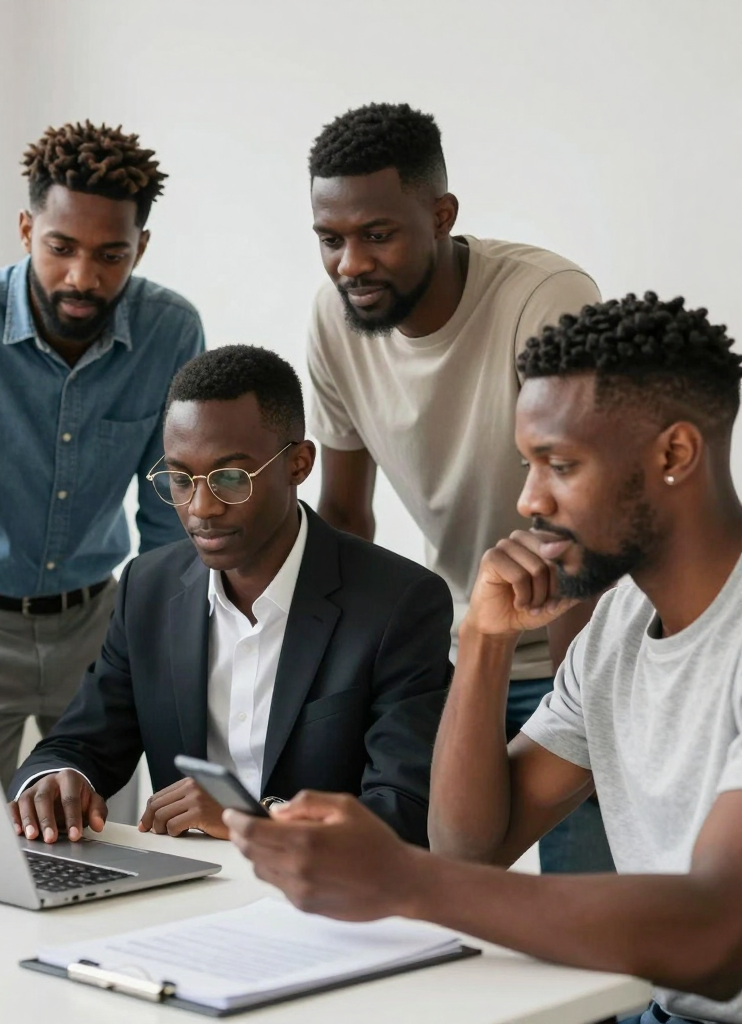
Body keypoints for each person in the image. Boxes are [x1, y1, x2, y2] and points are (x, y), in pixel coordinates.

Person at [227, 293, 742, 1024]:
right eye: (527, 463)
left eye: (559, 464)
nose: (530, 500)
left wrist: (402, 880)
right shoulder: (620, 623)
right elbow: (470, 848)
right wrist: (484, 639)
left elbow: (715, 934)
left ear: (673, 455)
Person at [305, 101, 612, 873]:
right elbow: (345, 517)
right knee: (439, 911)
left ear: (440, 215)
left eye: (377, 235)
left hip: (570, 651)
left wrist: (587, 707)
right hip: (456, 656)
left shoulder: (545, 298)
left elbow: (587, 516)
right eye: (331, 240)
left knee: (580, 938)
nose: (351, 264)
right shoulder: (334, 320)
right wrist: (341, 689)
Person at [8, 345, 453, 844]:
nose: (201, 508)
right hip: (184, 888)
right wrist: (55, 780)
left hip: (331, 900)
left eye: (230, 478)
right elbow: (82, 742)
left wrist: (252, 820)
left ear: (299, 464)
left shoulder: (400, 604)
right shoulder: (147, 588)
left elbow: (408, 809)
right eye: (180, 479)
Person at [0, 121, 205, 785]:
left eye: (111, 255)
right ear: (28, 230)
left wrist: (156, 647)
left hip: (98, 626)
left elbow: (169, 508)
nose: (82, 277)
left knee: (104, 848)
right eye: (61, 247)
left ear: (140, 248)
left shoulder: (170, 331)